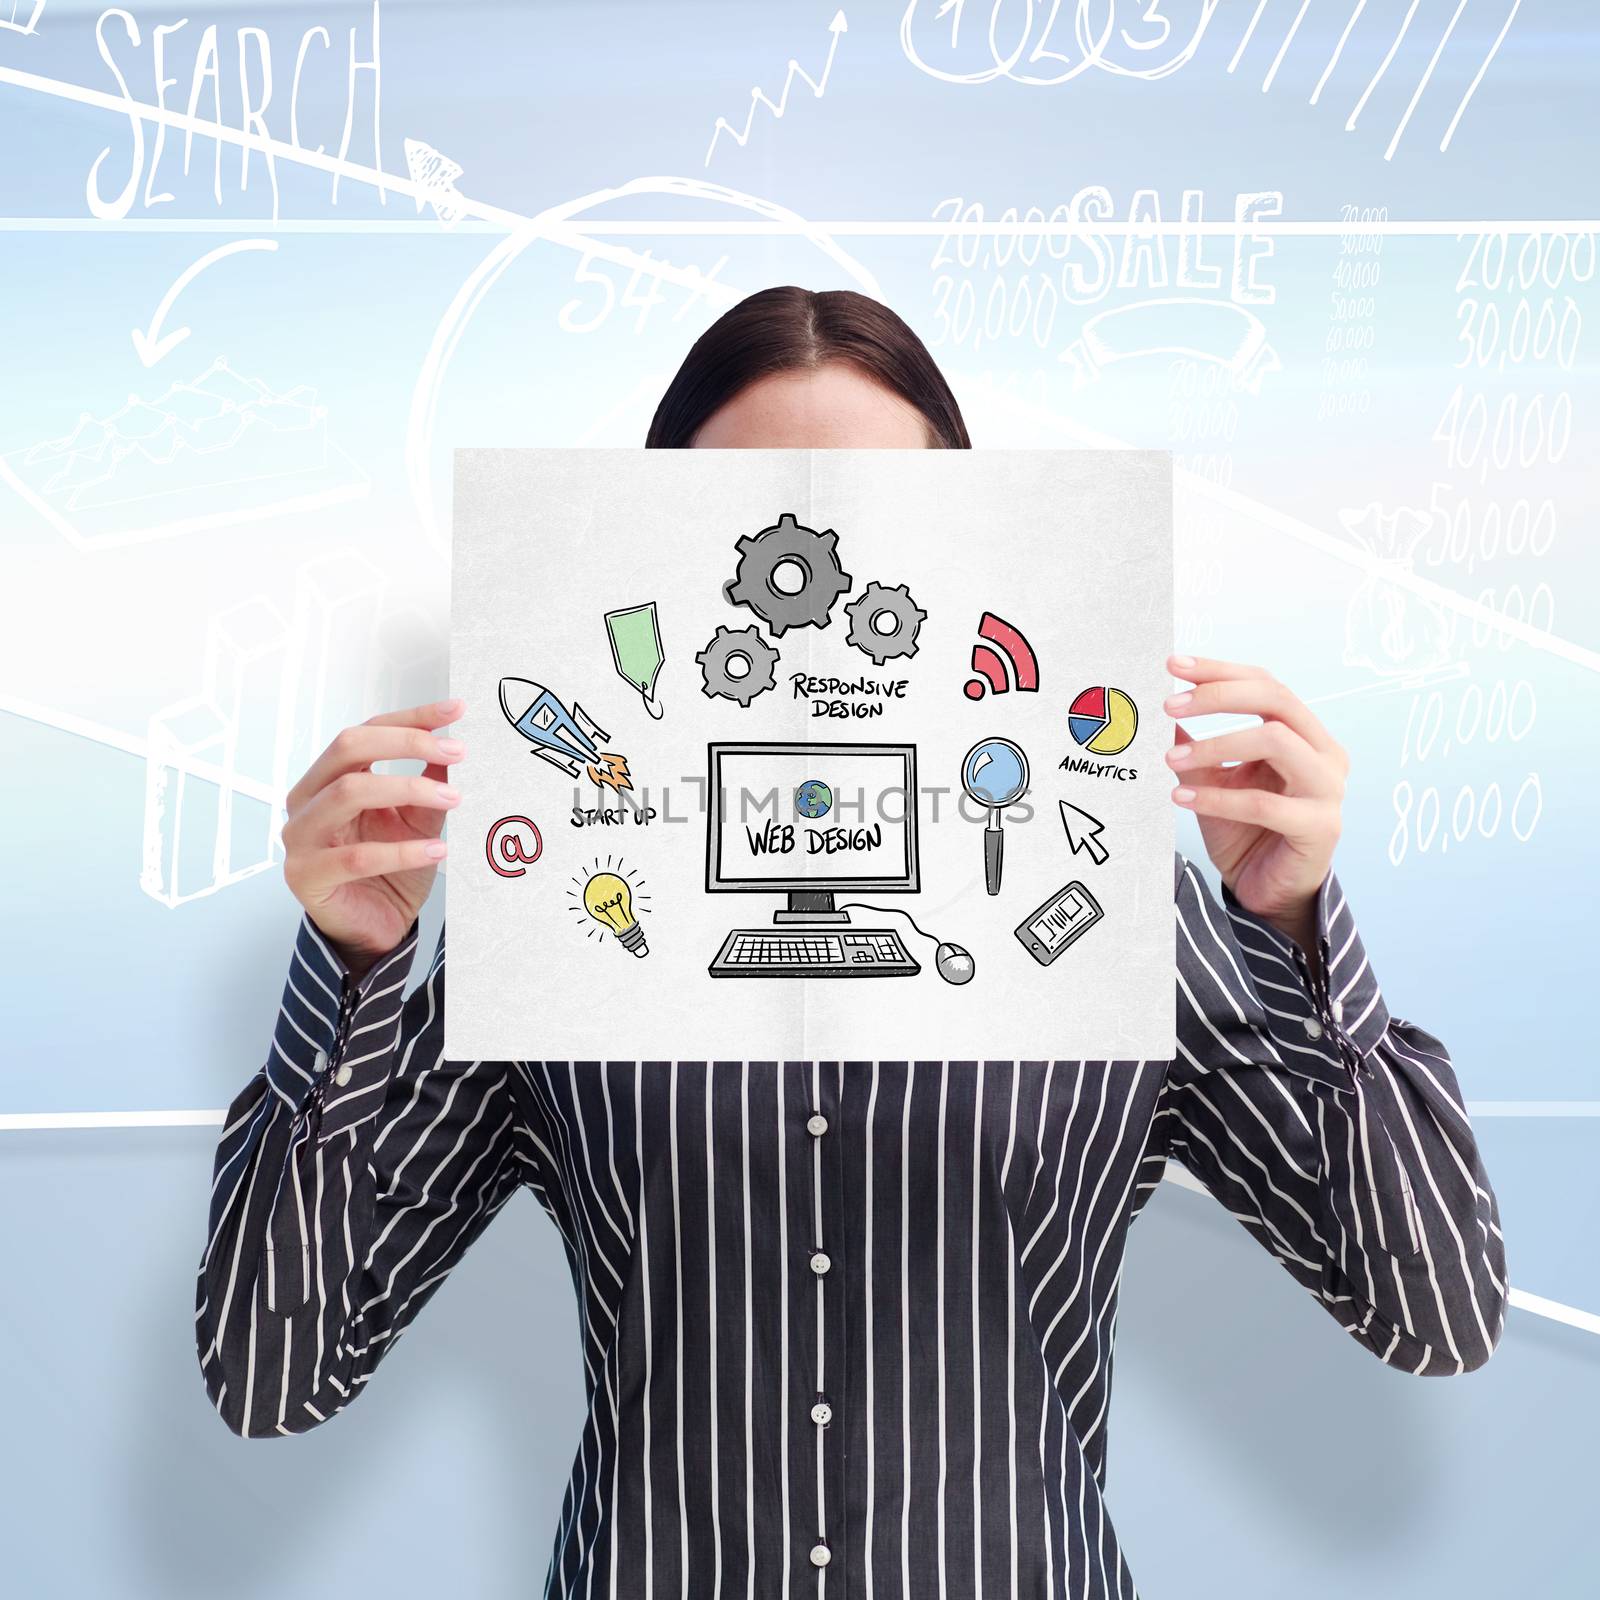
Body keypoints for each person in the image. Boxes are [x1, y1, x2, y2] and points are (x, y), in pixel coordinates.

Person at [194, 287, 1506, 1598]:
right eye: (741, 520)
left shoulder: (1108, 912)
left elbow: (1433, 1312)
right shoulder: (566, 922)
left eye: (878, 519)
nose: (806, 578)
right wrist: (351, 972)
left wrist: (1289, 930)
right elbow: (273, 1372)